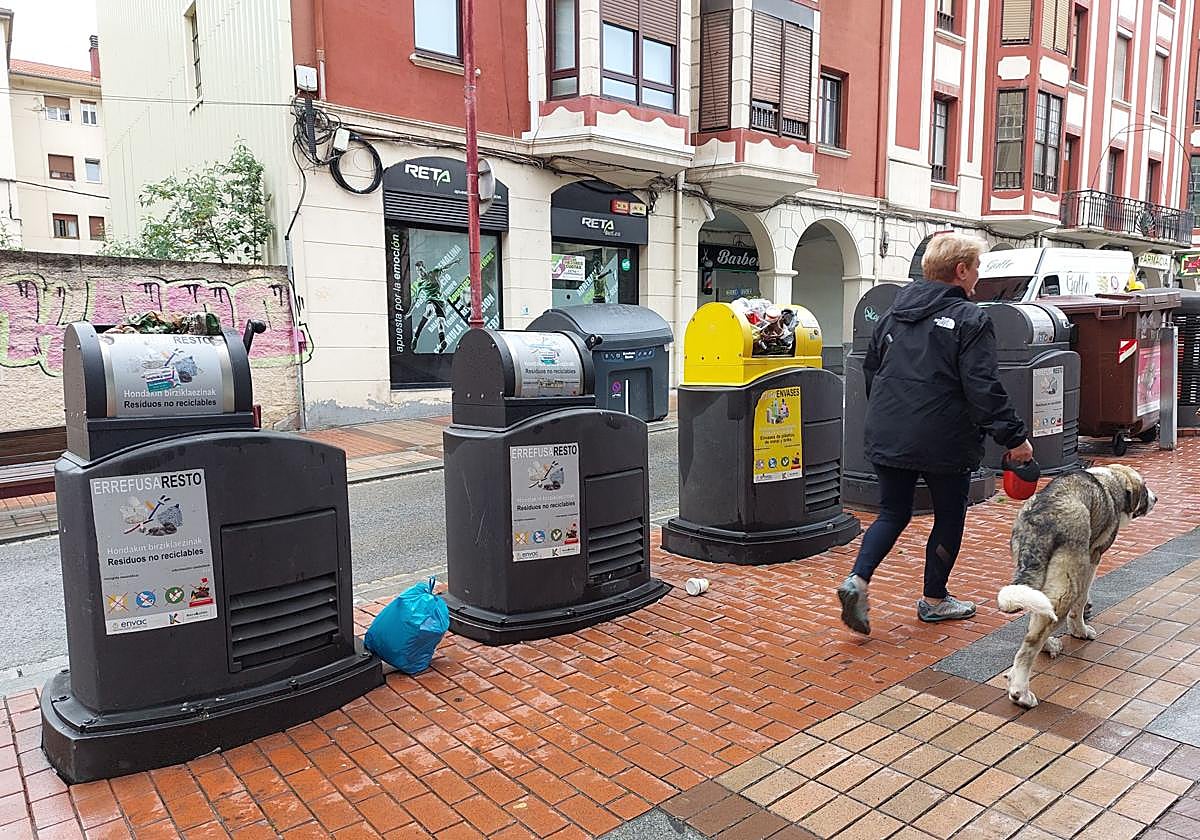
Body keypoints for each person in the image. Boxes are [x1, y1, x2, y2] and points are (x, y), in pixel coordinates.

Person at [837, 233, 1034, 634]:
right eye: (976, 267)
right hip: (945, 437)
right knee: (948, 515)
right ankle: (935, 600)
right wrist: (1015, 439)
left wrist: (894, 414)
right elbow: (983, 387)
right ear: (960, 270)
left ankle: (857, 580)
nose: (977, 276)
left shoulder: (893, 314)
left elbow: (872, 370)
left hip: (889, 430)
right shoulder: (971, 319)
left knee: (893, 512)